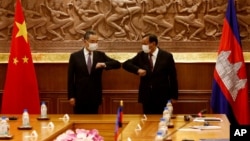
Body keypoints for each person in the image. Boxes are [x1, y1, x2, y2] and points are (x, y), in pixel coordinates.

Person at [122, 33, 178, 114]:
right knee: (147, 120)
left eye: (145, 44)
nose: (143, 46)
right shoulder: (141, 55)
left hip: (162, 95)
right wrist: (137, 70)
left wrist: (174, 96)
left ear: (153, 43)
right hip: (146, 96)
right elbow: (126, 64)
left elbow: (173, 77)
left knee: (162, 120)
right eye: (142, 44)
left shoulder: (166, 56)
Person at [67, 30, 121, 114]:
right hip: (79, 96)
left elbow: (117, 64)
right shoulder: (75, 56)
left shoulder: (100, 55)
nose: (95, 44)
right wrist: (71, 96)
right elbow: (70, 78)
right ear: (85, 42)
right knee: (79, 123)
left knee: (93, 122)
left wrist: (104, 64)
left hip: (94, 96)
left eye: (96, 41)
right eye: (92, 41)